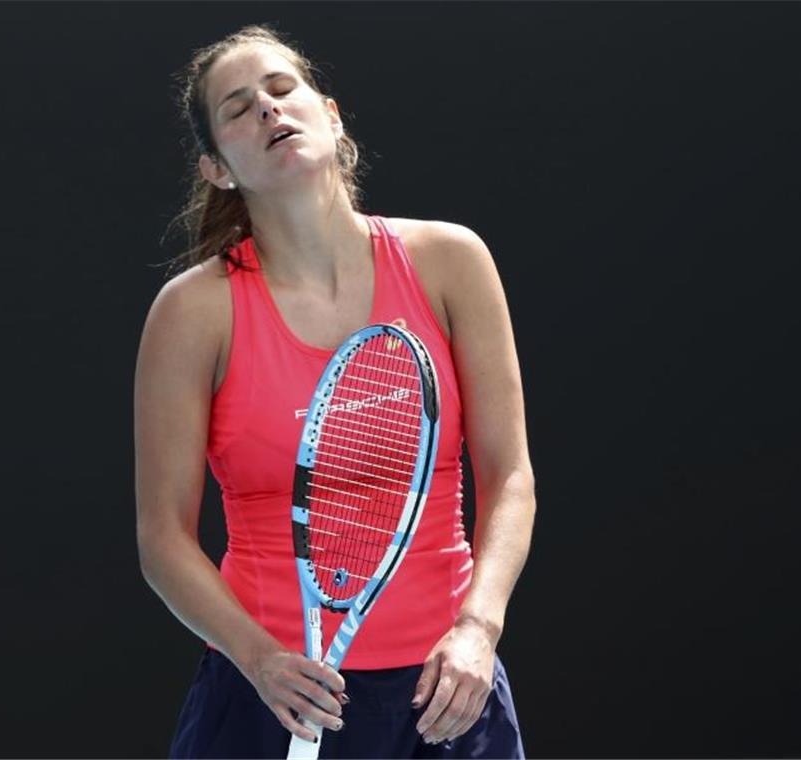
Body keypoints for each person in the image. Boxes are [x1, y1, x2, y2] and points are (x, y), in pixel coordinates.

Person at [134, 24, 537, 759]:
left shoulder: (452, 261)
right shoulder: (194, 311)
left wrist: (478, 630)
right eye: (237, 107)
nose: (266, 109)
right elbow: (162, 539)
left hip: (447, 697)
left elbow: (509, 476)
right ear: (217, 168)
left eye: (282, 89)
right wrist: (259, 660)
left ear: (331, 113)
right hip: (270, 697)